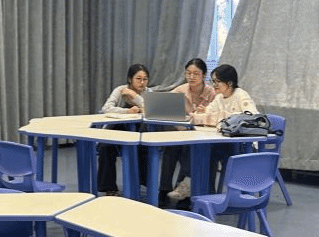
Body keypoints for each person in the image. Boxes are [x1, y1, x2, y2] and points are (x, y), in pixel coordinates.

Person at [172, 63, 259, 204]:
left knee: (207, 151)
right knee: (196, 147)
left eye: (218, 81)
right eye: (213, 81)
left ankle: (196, 189)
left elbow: (251, 116)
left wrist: (220, 116)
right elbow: (207, 113)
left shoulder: (240, 95)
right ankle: (199, 191)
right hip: (223, 142)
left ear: (229, 83)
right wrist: (202, 112)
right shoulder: (219, 98)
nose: (214, 85)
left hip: (242, 145)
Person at [161, 58, 216, 201]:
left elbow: (215, 117)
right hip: (182, 132)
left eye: (196, 73)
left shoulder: (212, 93)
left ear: (204, 75)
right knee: (170, 148)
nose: (191, 77)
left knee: (189, 147)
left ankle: (184, 190)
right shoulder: (180, 90)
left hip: (203, 136)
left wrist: (204, 113)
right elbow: (164, 107)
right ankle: (164, 190)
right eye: (188, 73)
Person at [97, 63, 148, 196]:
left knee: (145, 148)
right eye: (138, 79)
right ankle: (109, 187)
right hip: (117, 130)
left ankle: (142, 183)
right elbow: (106, 108)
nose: (142, 82)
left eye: (145, 79)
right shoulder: (120, 90)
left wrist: (135, 96)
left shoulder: (148, 93)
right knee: (106, 147)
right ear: (130, 79)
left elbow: (151, 110)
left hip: (140, 132)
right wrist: (127, 111)